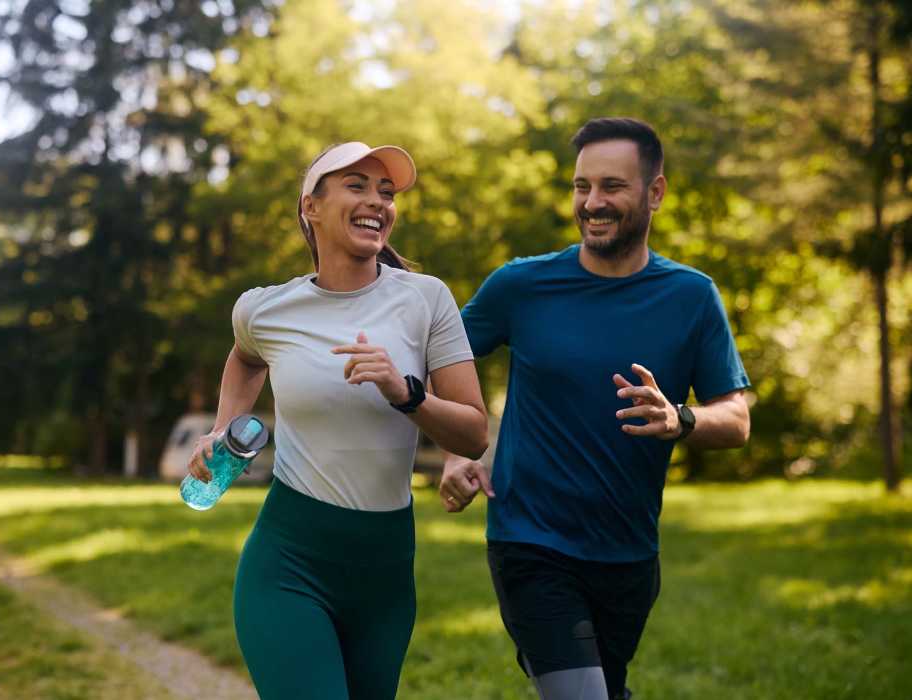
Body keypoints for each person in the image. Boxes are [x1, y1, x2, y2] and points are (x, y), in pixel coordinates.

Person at [440, 117, 751, 700]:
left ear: (655, 192)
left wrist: (679, 419)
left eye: (613, 186)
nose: (593, 202)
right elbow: (441, 358)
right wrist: (460, 447)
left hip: (629, 553)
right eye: (582, 187)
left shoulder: (691, 296)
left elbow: (735, 420)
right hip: (530, 540)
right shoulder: (521, 286)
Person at [187, 142, 489, 700]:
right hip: (289, 563)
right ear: (311, 207)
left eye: (387, 192)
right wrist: (223, 426)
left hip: (385, 571)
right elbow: (245, 357)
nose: (377, 201)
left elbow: (473, 431)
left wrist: (406, 392)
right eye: (357, 185)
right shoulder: (265, 309)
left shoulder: (427, 301)